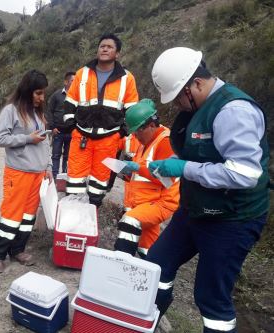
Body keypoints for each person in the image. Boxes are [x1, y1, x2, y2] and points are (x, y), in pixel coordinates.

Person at [146, 47, 269, 333]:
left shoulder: (234, 111)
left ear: (196, 84)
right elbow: (207, 154)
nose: (177, 105)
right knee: (156, 267)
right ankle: (146, 321)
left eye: (178, 98)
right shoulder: (200, 106)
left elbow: (245, 173)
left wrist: (185, 169)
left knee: (211, 297)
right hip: (195, 209)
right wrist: (174, 162)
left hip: (232, 219)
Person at [0, 69, 53, 275]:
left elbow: (45, 143)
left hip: (38, 174)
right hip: (18, 173)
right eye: (38, 93)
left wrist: (49, 167)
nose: (42, 98)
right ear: (27, 91)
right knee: (11, 215)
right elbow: (0, 139)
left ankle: (18, 250)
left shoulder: (38, 113)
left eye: (43, 93)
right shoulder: (11, 111)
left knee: (28, 217)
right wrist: (27, 139)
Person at [63, 33, 139, 207]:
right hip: (81, 135)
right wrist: (70, 125)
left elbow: (132, 109)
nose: (104, 48)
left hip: (109, 138)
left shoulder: (127, 78)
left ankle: (92, 211)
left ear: (117, 53)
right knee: (75, 178)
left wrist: (122, 131)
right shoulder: (82, 73)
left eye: (109, 47)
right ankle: (73, 214)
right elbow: (70, 101)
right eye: (102, 46)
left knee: (100, 180)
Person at [113, 99, 179, 258]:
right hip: (147, 201)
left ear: (151, 125)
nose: (135, 135)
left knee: (130, 221)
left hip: (161, 202)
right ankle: (153, 275)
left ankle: (118, 266)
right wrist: (128, 172)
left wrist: (137, 168)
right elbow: (143, 174)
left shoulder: (165, 141)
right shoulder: (146, 141)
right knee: (148, 249)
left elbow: (166, 179)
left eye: (138, 131)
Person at [46, 71, 75, 179]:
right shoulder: (57, 95)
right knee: (56, 155)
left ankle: (64, 177)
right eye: (73, 80)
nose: (75, 82)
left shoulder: (77, 97)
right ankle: (54, 177)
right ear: (66, 82)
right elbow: (50, 111)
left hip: (71, 132)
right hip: (58, 131)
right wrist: (52, 127)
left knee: (68, 156)